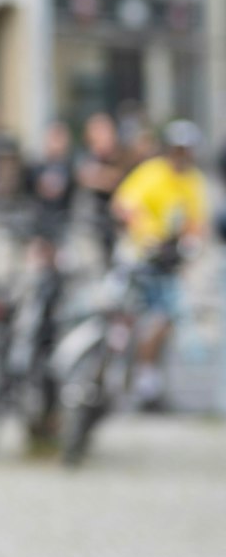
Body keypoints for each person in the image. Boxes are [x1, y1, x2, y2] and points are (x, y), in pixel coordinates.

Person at [110, 119, 210, 410]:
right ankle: (111, 365)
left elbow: (196, 223)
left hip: (167, 259)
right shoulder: (152, 173)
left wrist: (188, 245)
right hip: (138, 253)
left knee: (165, 319)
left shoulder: (194, 182)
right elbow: (123, 205)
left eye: (187, 151)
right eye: (178, 150)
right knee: (121, 309)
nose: (182, 156)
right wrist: (145, 232)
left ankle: (147, 382)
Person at [76, 112, 126, 267]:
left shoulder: (123, 157)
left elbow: (118, 179)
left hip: (119, 231)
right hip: (90, 233)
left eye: (104, 133)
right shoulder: (84, 159)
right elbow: (84, 177)